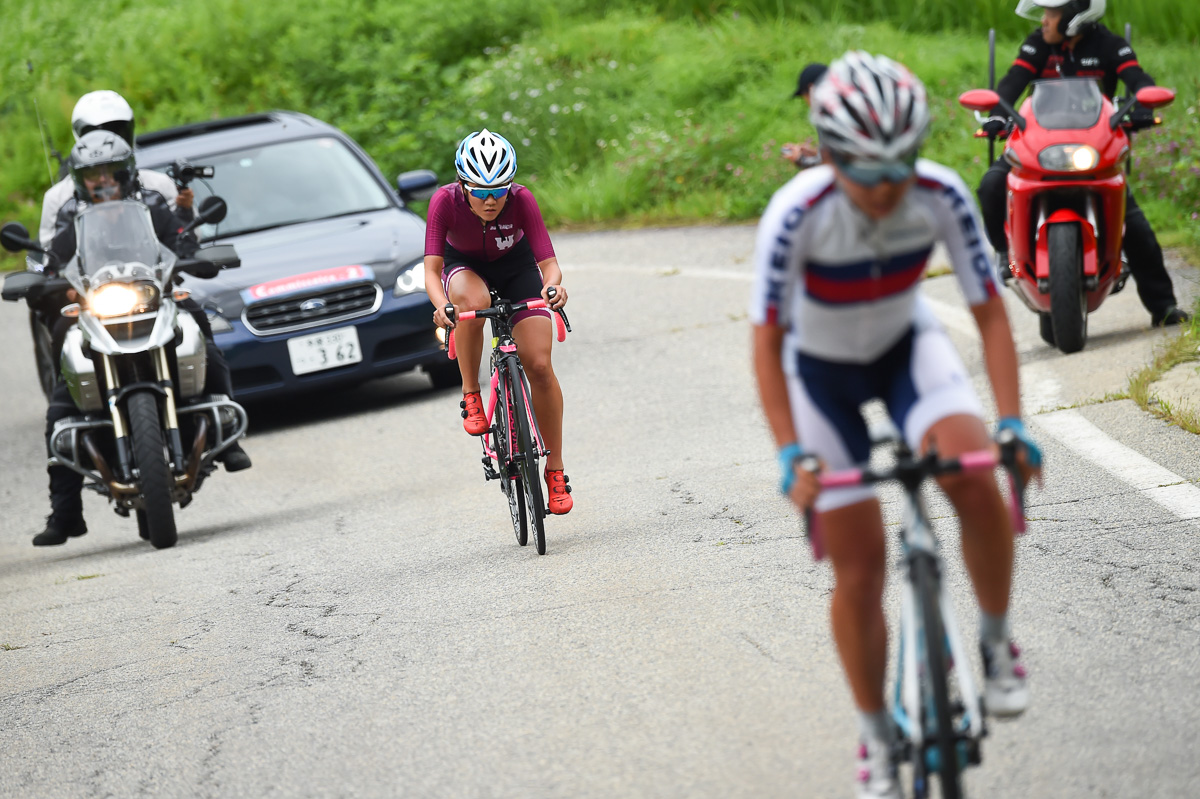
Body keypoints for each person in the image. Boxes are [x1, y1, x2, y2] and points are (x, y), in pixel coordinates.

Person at [750, 52, 1042, 798]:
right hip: (819, 375)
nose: (887, 189)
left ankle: (996, 637)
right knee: (860, 567)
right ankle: (877, 734)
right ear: (832, 155)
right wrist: (790, 454)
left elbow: (988, 314)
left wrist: (1010, 423)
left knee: (975, 476)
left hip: (907, 351)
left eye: (900, 168)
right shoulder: (795, 214)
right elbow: (767, 344)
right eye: (869, 173)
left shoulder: (939, 192)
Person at [34, 132, 250, 547]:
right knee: (63, 377)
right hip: (98, 309)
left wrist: (193, 250)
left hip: (154, 301)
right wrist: (47, 283)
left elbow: (183, 241)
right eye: (92, 175)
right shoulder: (71, 221)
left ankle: (227, 439)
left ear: (126, 173)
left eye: (110, 171)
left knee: (198, 325)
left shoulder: (151, 208)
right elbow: (51, 266)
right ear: (81, 180)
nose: (103, 181)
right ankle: (65, 513)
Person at [977, 0, 1190, 327]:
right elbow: (1012, 82)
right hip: (1037, 147)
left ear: (1076, 17)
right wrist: (996, 115)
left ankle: (1162, 308)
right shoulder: (1037, 44)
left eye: (1051, 14)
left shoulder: (1110, 45)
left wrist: (1144, 103)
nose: (1044, 22)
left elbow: (1137, 78)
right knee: (991, 185)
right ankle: (1007, 256)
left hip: (1094, 151)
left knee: (1138, 231)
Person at [423, 129, 573, 515]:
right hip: (465, 268)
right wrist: (441, 305)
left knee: (539, 365)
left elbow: (548, 265)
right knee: (473, 302)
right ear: (462, 185)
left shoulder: (521, 199)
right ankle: (471, 392)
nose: (490, 200)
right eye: (480, 191)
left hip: (517, 268)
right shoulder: (444, 202)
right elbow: (432, 269)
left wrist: (554, 287)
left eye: (499, 190)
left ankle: (554, 470)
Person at [38, 90, 192, 249]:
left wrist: (185, 212)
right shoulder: (59, 200)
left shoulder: (157, 187)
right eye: (93, 174)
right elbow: (52, 259)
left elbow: (187, 243)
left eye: (117, 130)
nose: (109, 141)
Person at [781, 62, 828, 169]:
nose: (808, 103)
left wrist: (800, 160)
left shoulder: (827, 116)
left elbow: (834, 165)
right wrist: (814, 153)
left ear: (811, 89)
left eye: (805, 97)